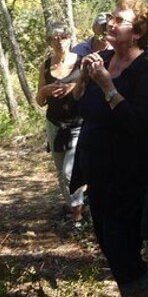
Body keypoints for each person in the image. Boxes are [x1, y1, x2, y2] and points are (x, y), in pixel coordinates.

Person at [70, 0, 148, 297]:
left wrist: (107, 86)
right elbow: (77, 104)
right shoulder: (105, 60)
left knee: (121, 247)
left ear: (139, 31)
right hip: (99, 172)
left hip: (131, 175)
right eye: (111, 19)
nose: (111, 24)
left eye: (120, 20)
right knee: (106, 240)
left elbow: (141, 122)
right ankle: (130, 294)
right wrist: (85, 77)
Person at [36, 21, 85, 228]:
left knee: (69, 172)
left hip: (78, 125)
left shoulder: (81, 62)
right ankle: (76, 206)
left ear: (69, 38)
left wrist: (72, 87)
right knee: (60, 171)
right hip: (54, 125)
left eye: (63, 37)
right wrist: (44, 92)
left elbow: (91, 92)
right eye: (55, 38)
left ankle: (77, 217)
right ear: (49, 41)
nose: (60, 41)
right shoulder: (46, 65)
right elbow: (39, 100)